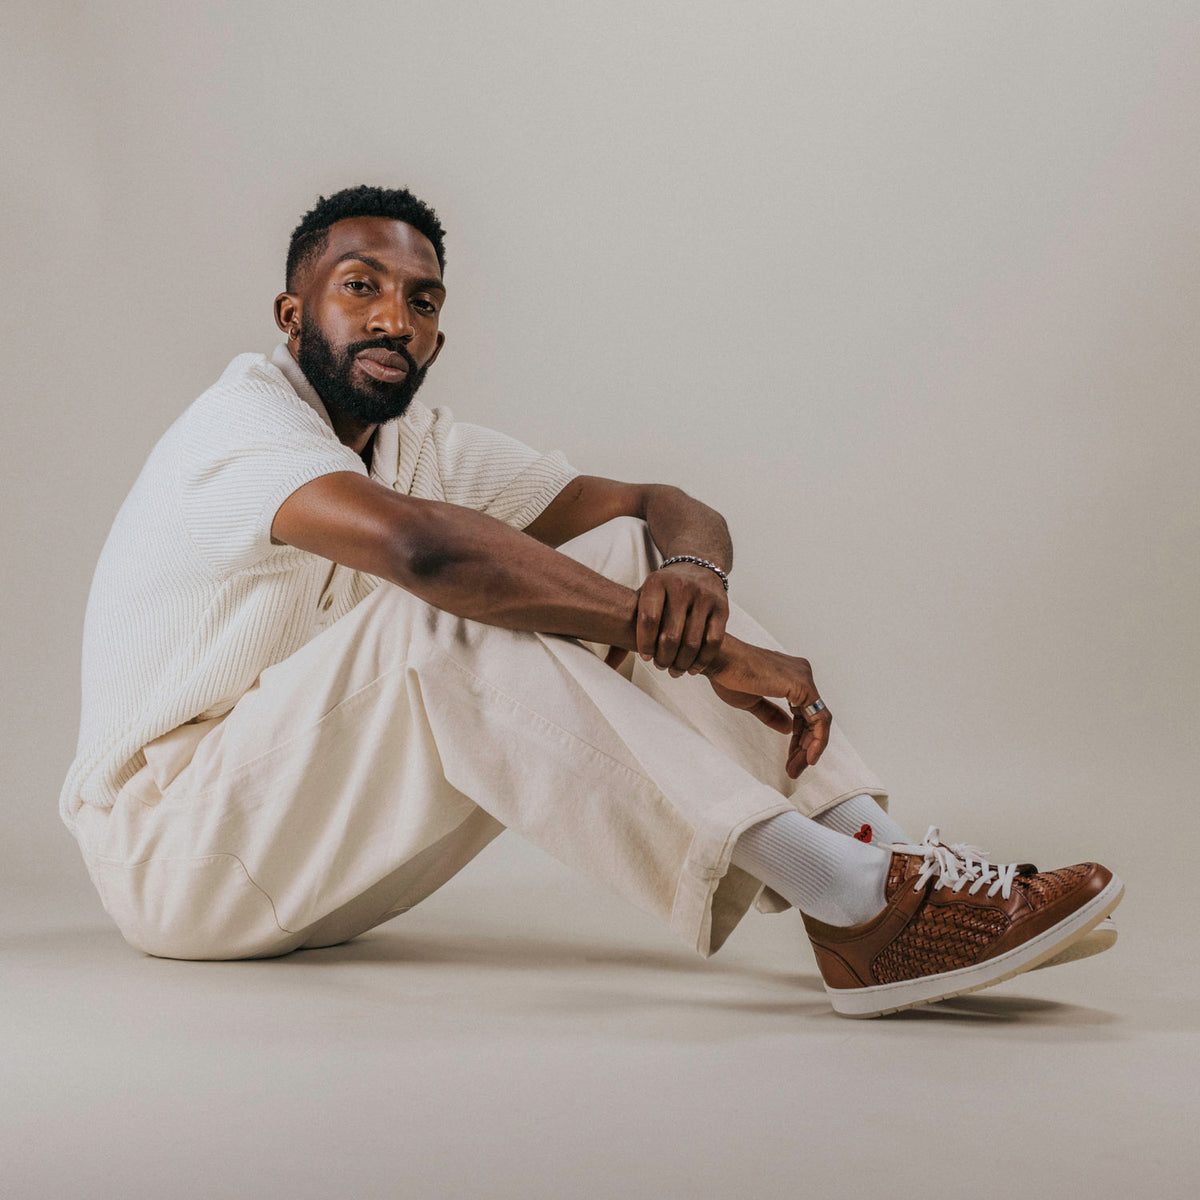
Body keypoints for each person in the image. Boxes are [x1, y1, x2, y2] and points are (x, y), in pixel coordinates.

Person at [61, 185, 1122, 1018]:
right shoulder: (236, 427)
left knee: (621, 554)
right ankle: (846, 898)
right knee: (446, 614)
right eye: (360, 287)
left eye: (420, 300)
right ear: (294, 313)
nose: (393, 316)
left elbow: (661, 505)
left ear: (439, 334)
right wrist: (706, 656)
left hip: (311, 849)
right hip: (178, 860)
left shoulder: (415, 447)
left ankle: (883, 868)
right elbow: (425, 556)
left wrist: (694, 583)